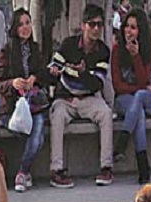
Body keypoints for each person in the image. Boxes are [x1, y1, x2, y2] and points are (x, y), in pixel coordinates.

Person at [48, 3, 114, 188]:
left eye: (99, 25)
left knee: (106, 114)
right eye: (92, 24)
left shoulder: (102, 51)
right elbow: (54, 66)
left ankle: (106, 167)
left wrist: (83, 73)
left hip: (89, 98)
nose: (96, 29)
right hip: (66, 98)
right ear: (83, 25)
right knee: (58, 116)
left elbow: (97, 83)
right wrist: (54, 71)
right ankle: (56, 170)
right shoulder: (69, 44)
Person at [0, 8, 48, 192]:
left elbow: (44, 75)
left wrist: (34, 78)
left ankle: (22, 172)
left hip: (34, 105)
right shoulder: (7, 50)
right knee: (37, 136)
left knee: (38, 127)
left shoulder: (35, 49)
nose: (26, 27)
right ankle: (25, 173)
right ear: (15, 28)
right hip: (13, 108)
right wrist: (13, 83)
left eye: (28, 23)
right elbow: (0, 83)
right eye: (21, 24)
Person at [112, 8, 151, 184]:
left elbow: (146, 79)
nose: (129, 31)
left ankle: (121, 142)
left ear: (141, 31)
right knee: (138, 111)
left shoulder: (149, 49)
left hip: (147, 99)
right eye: (127, 27)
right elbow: (117, 85)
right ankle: (143, 166)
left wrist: (136, 56)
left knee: (139, 97)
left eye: (134, 28)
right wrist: (141, 87)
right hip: (125, 100)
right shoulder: (117, 50)